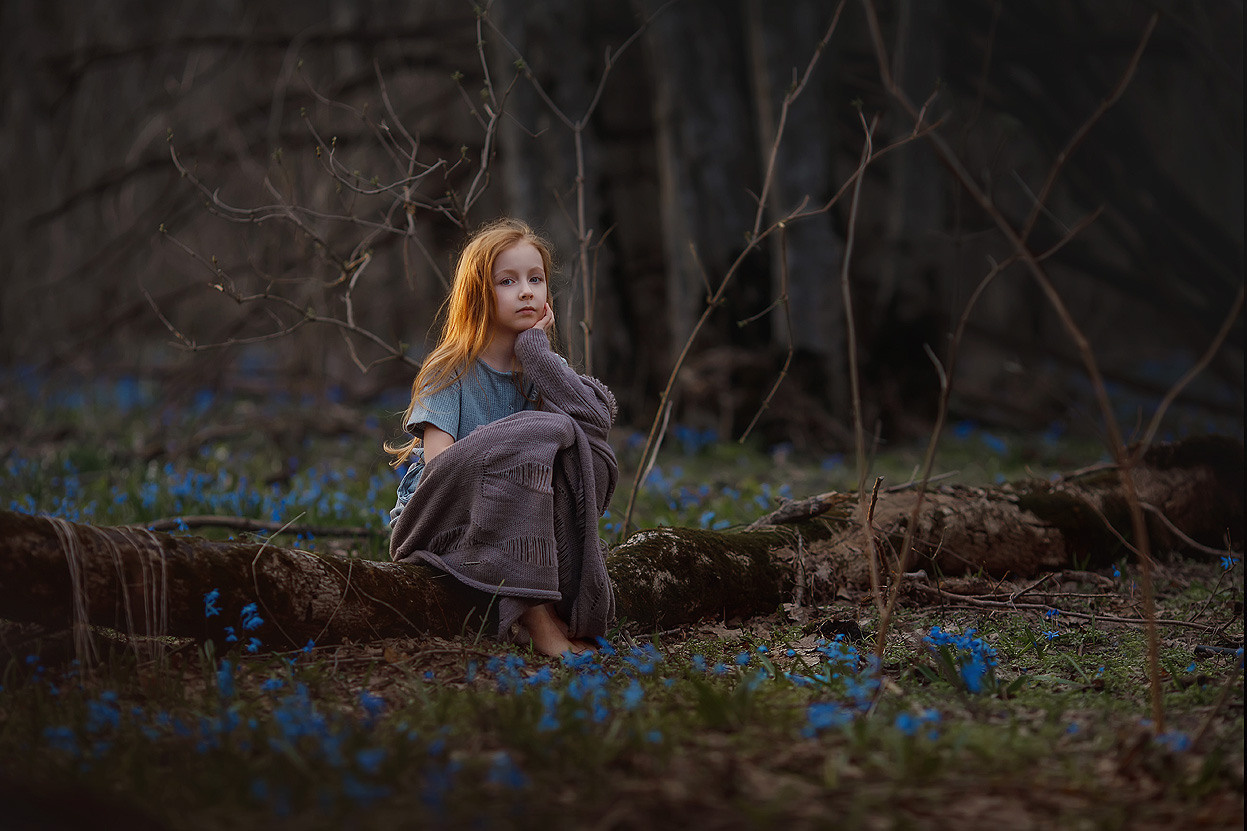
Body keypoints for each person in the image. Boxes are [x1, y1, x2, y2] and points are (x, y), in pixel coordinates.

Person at [385, 218, 617, 657]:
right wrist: (514, 449)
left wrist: (538, 354)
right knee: (542, 432)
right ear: (478, 294)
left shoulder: (543, 368)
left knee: (572, 441)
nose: (526, 291)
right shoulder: (450, 370)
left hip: (521, 525)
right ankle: (540, 622)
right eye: (507, 281)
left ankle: (545, 608)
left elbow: (595, 427)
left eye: (536, 279)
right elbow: (439, 470)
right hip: (441, 519)